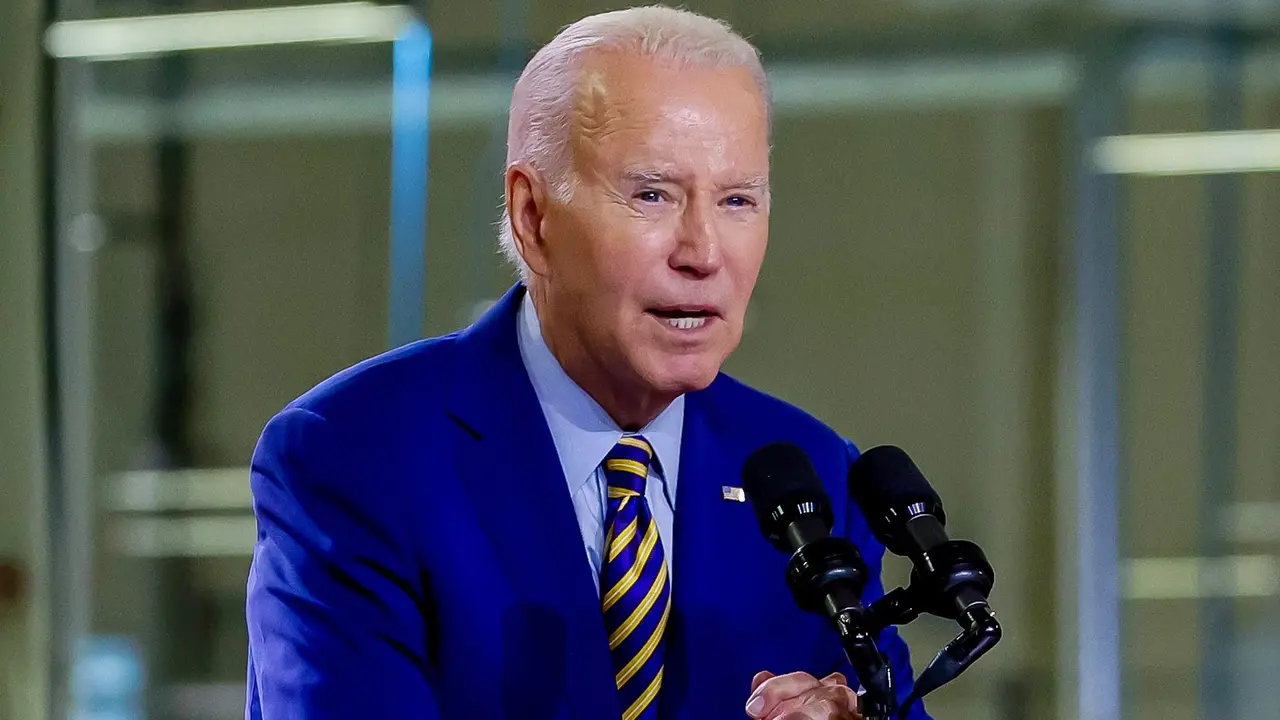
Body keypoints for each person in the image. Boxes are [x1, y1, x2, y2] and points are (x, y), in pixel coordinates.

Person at [244, 6, 929, 720]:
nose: (702, 252)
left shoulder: (812, 475)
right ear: (532, 218)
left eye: (736, 200)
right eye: (652, 195)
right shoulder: (353, 457)